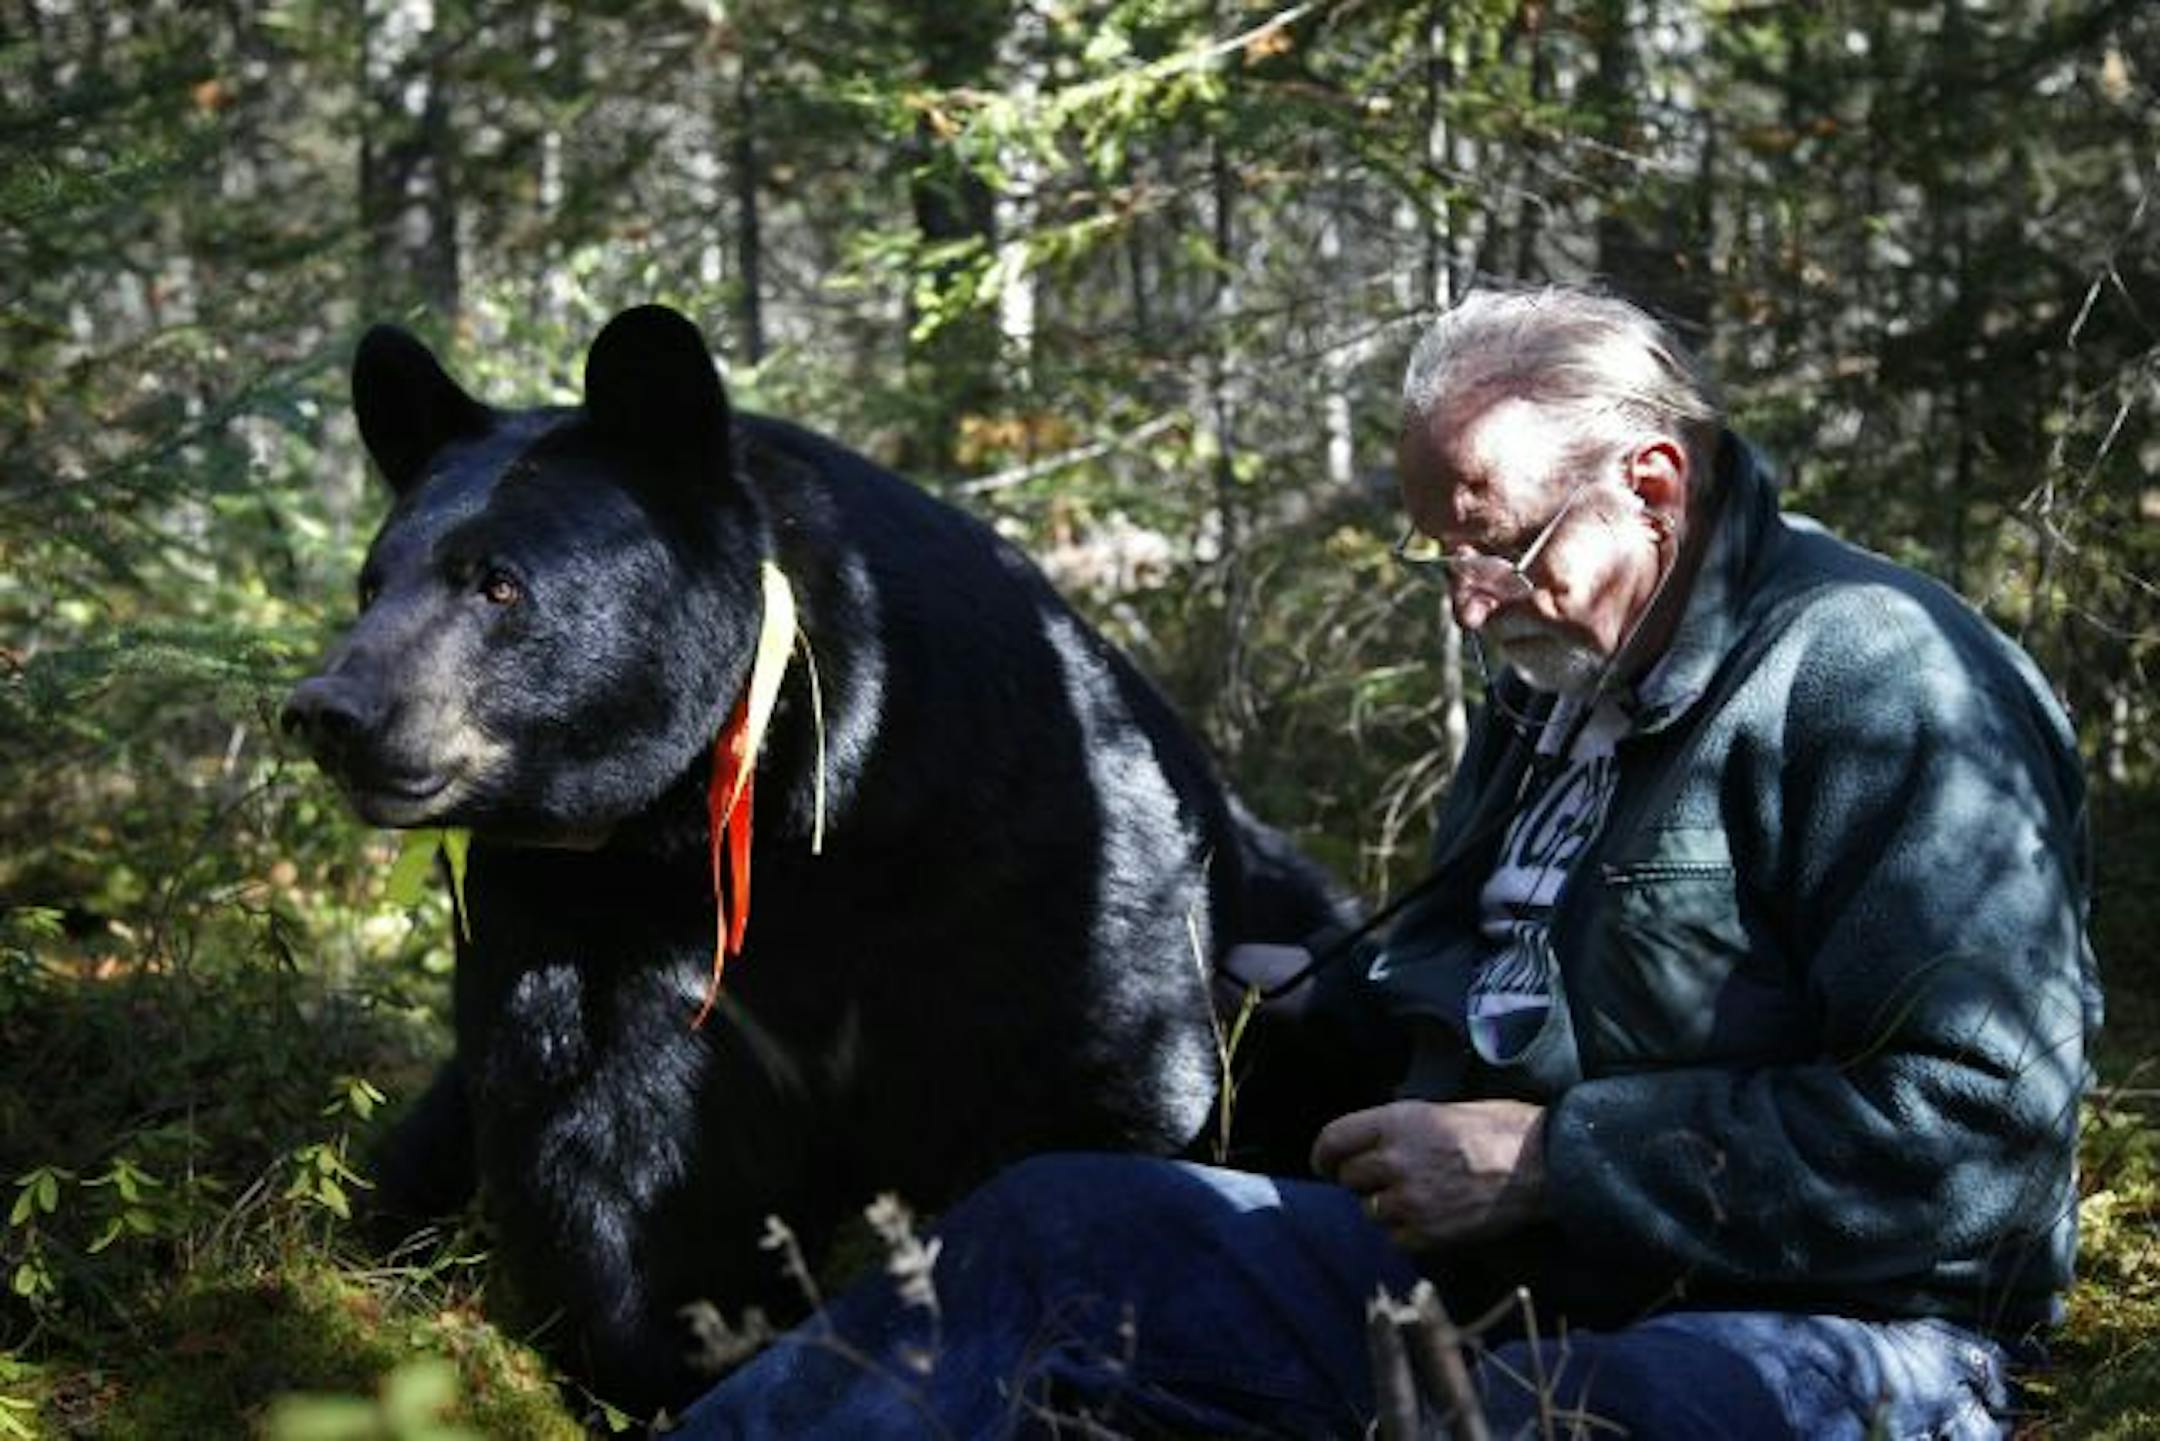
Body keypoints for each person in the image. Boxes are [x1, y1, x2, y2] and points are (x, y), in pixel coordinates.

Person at [670, 285, 2099, 1439]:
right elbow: (1500, 986)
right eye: (1448, 563)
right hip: (1510, 1281)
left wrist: (1556, 1161)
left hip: (1837, 1330)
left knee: (1600, 1415)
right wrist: (1314, 1009)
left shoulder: (1879, 681)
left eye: (1505, 549)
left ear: (1654, 484)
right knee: (1061, 1228)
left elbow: (1981, 1137)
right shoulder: (1558, 679)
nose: (1478, 608)